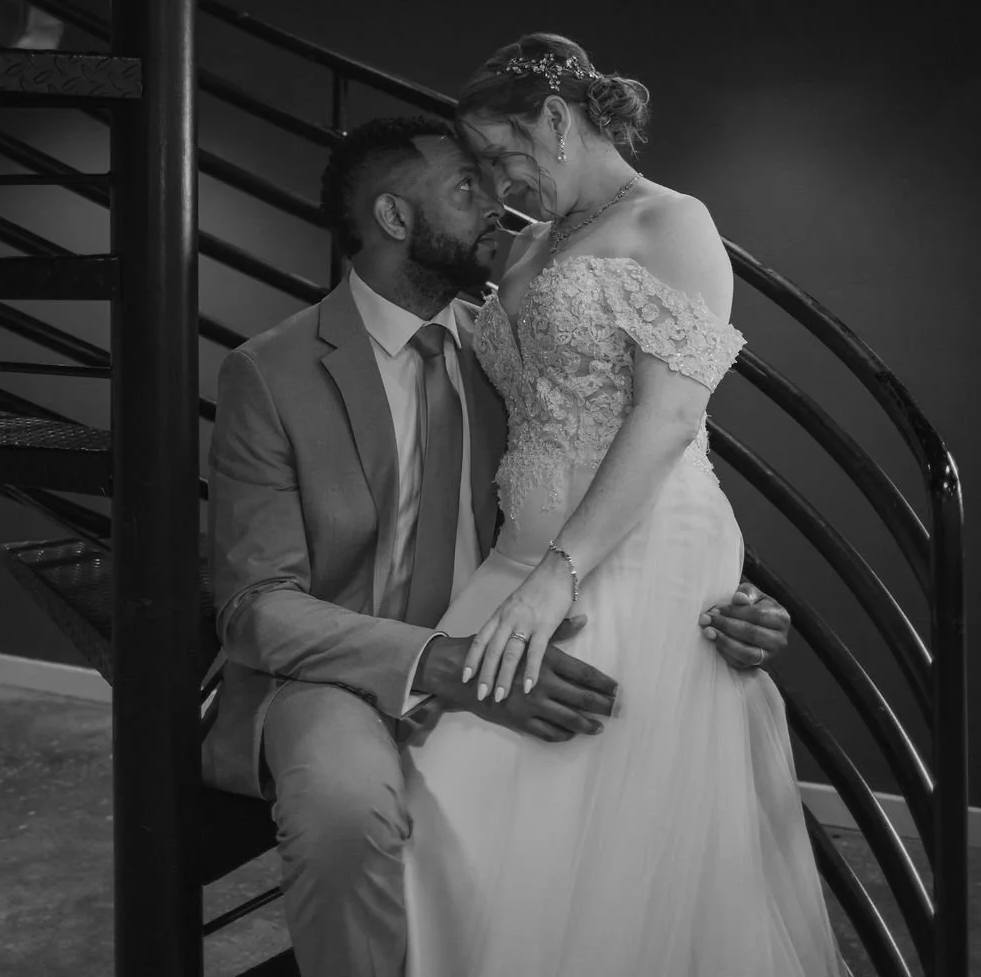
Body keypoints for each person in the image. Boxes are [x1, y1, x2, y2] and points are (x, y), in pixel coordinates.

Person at [202, 113, 795, 977]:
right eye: (466, 186)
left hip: (499, 630)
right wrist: (443, 663)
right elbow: (257, 610)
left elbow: (601, 470)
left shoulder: (502, 340)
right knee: (344, 814)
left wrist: (717, 601)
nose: (500, 199)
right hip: (337, 666)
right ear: (398, 219)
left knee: (619, 808)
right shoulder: (270, 371)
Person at [401, 34, 846, 977]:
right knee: (438, 803)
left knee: (557, 813)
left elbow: (673, 414)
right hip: (518, 553)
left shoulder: (671, 224)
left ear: (556, 122)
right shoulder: (529, 239)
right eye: (479, 165)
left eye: (502, 153)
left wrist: (559, 573)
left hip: (633, 551)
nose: (496, 179)